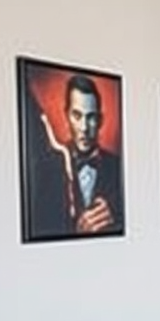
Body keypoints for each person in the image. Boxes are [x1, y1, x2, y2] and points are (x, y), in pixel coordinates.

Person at [32, 73, 124, 237]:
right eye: (77, 115)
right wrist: (76, 233)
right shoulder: (48, 168)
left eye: (91, 117)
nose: (84, 127)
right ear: (67, 116)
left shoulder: (119, 167)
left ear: (100, 120)